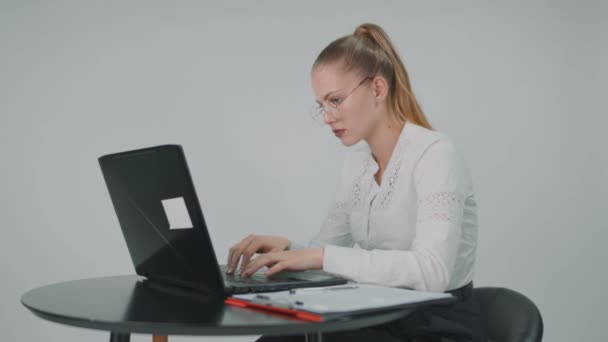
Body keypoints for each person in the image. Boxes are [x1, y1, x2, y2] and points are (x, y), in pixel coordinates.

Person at [226, 23, 484, 342]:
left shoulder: (435, 154)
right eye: (321, 105)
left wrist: (319, 255)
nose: (327, 117)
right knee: (278, 340)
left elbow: (432, 273)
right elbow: (326, 255)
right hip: (379, 314)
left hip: (437, 324)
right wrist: (289, 249)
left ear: (377, 88)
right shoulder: (357, 163)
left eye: (336, 100)